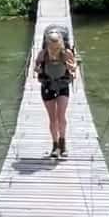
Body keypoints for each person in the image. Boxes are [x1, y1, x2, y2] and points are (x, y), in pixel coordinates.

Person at [34, 28, 76, 159]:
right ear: (48, 44)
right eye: (51, 47)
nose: (53, 50)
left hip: (62, 85)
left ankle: (63, 143)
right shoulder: (43, 54)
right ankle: (55, 145)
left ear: (60, 44)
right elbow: (36, 68)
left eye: (56, 47)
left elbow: (74, 68)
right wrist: (37, 68)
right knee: (53, 118)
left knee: (61, 116)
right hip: (48, 86)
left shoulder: (66, 53)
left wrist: (72, 68)